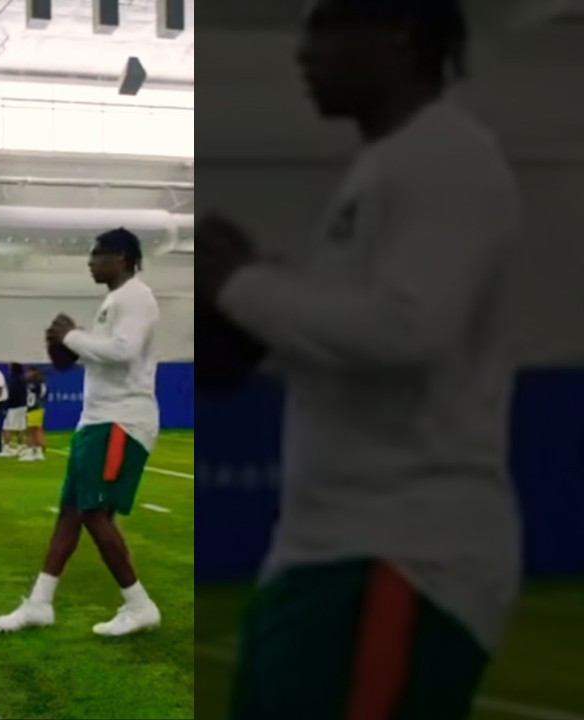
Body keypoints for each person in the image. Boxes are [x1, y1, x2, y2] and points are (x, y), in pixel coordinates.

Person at [200, 2, 523, 717]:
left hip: (401, 554)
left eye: (327, 32)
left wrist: (243, 286)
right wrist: (263, 301)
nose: (303, 54)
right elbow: (359, 334)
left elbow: (410, 330)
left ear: (401, 37)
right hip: (337, 552)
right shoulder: (391, 163)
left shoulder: (445, 158)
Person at [0, 228, 161, 636]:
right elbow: (100, 357)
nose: (89, 261)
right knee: (70, 513)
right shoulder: (115, 300)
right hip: (97, 420)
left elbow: (124, 352)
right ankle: (39, 603)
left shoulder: (134, 296)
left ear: (120, 257)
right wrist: (74, 344)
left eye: (97, 254)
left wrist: (71, 336)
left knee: (93, 512)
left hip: (120, 420)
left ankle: (139, 605)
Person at [20, 367, 48, 462]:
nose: (28, 373)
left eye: (30, 371)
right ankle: (34, 450)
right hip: (31, 408)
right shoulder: (29, 382)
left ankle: (38, 451)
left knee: (35, 429)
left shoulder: (39, 382)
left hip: (36, 408)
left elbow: (42, 394)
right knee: (32, 429)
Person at [0, 362, 28, 457]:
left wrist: (6, 405)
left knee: (7, 427)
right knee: (21, 427)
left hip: (13, 407)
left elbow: (10, 395)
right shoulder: (23, 380)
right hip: (23, 406)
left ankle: (6, 448)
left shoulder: (12, 381)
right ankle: (20, 447)